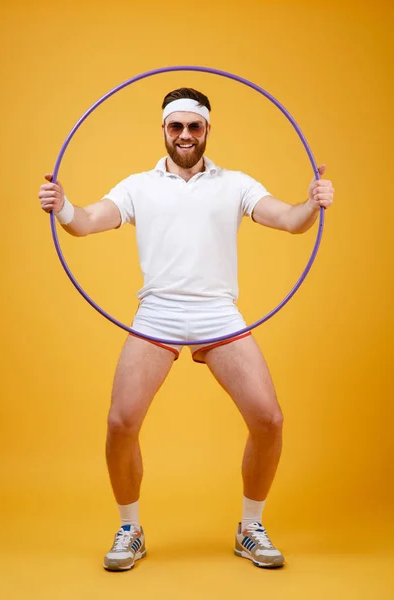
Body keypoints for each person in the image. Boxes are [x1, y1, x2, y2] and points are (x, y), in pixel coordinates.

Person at [38, 87, 334, 571]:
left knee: (269, 420)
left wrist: (312, 202)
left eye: (194, 127)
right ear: (163, 130)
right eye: (176, 126)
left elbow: (289, 220)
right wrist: (63, 206)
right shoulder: (138, 186)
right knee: (121, 422)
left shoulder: (234, 184)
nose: (185, 135)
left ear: (207, 131)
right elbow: (87, 222)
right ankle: (130, 529)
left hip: (219, 313)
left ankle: (249, 527)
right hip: (158, 312)